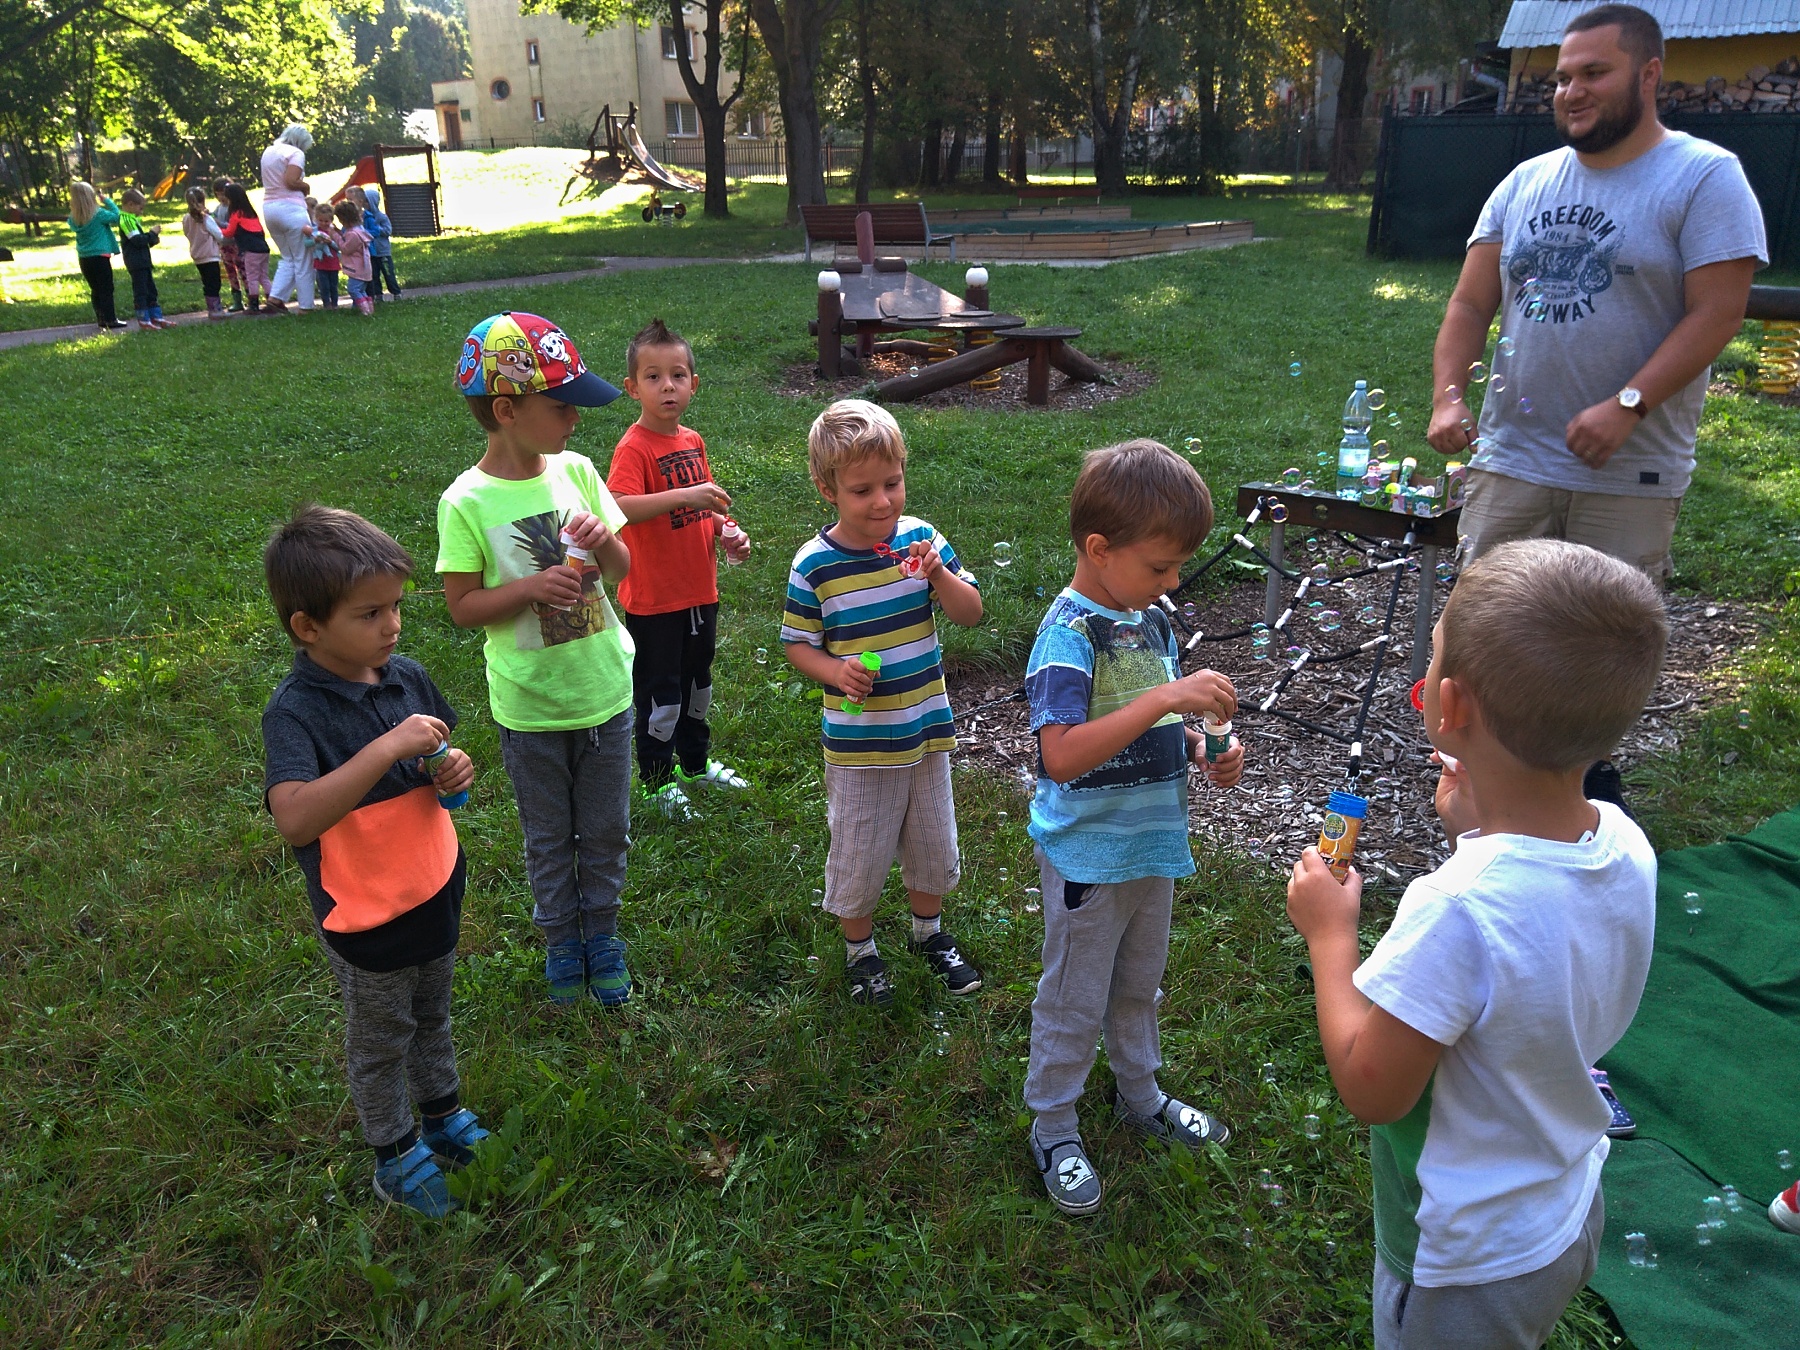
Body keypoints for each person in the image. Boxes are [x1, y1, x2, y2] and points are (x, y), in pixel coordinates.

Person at [1286, 539, 1668, 1350]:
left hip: (1466, 1263)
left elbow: (1372, 1090)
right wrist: (1477, 829)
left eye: (1430, 658)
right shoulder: (1622, 839)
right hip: (1565, 1205)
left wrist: (1330, 935)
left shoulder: (1454, 910)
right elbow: (1534, 927)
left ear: (1449, 705)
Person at [1426, 3, 1764, 584]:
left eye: (1593, 73)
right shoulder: (1524, 182)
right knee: (1482, 634)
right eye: (1562, 78)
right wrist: (1447, 397)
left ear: (1649, 74)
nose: (1571, 92)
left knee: (1604, 638)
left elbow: (1718, 313)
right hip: (1510, 463)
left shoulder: (1705, 176)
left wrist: (1628, 405)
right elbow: (1470, 304)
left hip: (1629, 475)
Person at [1021, 440, 1242, 1216]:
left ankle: (1139, 1096)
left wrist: (1204, 749)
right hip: (1090, 856)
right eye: (1160, 566)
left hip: (1152, 844)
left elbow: (1154, 725)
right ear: (1099, 549)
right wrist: (1163, 701)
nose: (1172, 582)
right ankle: (1053, 1125)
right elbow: (1060, 756)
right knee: (1075, 997)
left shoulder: (1148, 622)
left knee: (1138, 985)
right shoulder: (1069, 635)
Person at [261, 505, 490, 1218]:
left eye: (395, 607)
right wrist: (386, 746)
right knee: (381, 1038)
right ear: (308, 627)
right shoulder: (295, 712)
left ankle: (442, 1115)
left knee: (432, 1014)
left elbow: (439, 763)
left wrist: (451, 770)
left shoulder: (406, 677)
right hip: (365, 913)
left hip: (431, 885)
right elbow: (295, 816)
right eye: (369, 613)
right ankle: (393, 1153)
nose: (391, 626)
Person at [437, 312, 637, 1007]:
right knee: (549, 837)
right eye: (562, 407)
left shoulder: (577, 472)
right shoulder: (465, 501)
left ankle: (602, 935)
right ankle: (561, 941)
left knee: (606, 831)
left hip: (604, 692)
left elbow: (622, 567)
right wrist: (527, 589)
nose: (575, 420)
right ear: (506, 411)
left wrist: (603, 541)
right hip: (530, 709)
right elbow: (462, 606)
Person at [779, 400, 984, 1008]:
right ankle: (860, 950)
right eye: (862, 490)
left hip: (925, 729)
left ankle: (929, 933)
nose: (882, 502)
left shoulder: (923, 541)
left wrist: (939, 576)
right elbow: (798, 645)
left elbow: (970, 613)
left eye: (892, 483)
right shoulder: (815, 567)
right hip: (861, 744)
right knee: (861, 849)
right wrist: (835, 672)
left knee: (931, 841)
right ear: (828, 490)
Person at [606, 317, 751, 818]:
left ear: (694, 384)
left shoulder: (692, 440)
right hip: (655, 601)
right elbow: (619, 506)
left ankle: (693, 763)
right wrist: (687, 495)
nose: (667, 386)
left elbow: (703, 509)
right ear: (633, 388)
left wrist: (726, 531)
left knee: (697, 686)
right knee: (660, 693)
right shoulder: (635, 447)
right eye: (653, 377)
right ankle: (657, 781)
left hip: (699, 592)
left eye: (678, 375)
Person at [259, 122, 317, 313]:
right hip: (291, 209)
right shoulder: (295, 153)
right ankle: (306, 306)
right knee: (303, 259)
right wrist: (305, 187)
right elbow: (290, 181)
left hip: (269, 208)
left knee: (288, 257)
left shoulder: (269, 151)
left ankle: (275, 299)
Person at [67, 181, 128, 333]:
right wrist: (108, 201)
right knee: (106, 288)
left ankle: (101, 318)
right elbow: (117, 217)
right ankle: (110, 319)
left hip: (84, 257)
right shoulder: (99, 214)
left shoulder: (74, 218)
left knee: (95, 289)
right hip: (100, 256)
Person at [116, 188, 172, 330]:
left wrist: (152, 239)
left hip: (143, 261)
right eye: (140, 208)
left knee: (151, 289)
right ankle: (143, 319)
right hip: (136, 263)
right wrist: (152, 234)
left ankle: (155, 316)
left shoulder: (133, 220)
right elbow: (137, 240)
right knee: (141, 291)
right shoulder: (126, 220)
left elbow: (142, 241)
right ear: (130, 204)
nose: (141, 212)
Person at [220, 184, 270, 314]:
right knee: (263, 276)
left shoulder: (236, 214)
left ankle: (254, 305)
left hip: (251, 250)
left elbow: (229, 233)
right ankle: (272, 301)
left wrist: (218, 228)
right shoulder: (251, 213)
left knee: (252, 277)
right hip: (263, 248)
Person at [181, 185, 228, 320]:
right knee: (214, 283)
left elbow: (186, 233)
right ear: (203, 201)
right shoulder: (206, 219)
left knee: (207, 283)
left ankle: (212, 308)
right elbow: (219, 236)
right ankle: (215, 309)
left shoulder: (186, 218)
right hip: (210, 255)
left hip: (197, 255)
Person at [211, 177, 245, 312]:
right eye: (219, 194)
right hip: (224, 245)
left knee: (243, 270)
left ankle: (251, 296)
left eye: (224, 194)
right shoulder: (218, 208)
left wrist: (218, 223)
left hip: (235, 244)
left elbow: (231, 226)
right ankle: (237, 299)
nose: (222, 197)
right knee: (231, 272)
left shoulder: (233, 209)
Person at [334, 201, 374, 316]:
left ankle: (365, 310)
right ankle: (369, 309)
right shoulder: (357, 231)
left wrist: (334, 235)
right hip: (362, 267)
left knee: (353, 289)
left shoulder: (353, 234)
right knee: (361, 290)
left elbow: (345, 248)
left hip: (357, 268)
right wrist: (338, 232)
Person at [361, 186, 401, 300]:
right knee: (374, 275)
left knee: (388, 273)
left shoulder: (382, 217)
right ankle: (378, 294)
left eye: (366, 201)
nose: (364, 204)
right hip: (371, 252)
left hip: (383, 252)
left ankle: (396, 292)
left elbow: (388, 230)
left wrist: (376, 229)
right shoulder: (363, 217)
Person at [309, 201, 342, 310]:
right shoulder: (314, 231)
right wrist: (314, 241)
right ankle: (326, 304)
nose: (323, 223)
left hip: (333, 262)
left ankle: (335, 304)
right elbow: (307, 243)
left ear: (331, 220)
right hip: (320, 262)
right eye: (320, 220)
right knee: (324, 286)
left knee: (333, 285)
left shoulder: (334, 231)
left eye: (326, 221)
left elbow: (340, 246)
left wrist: (330, 242)